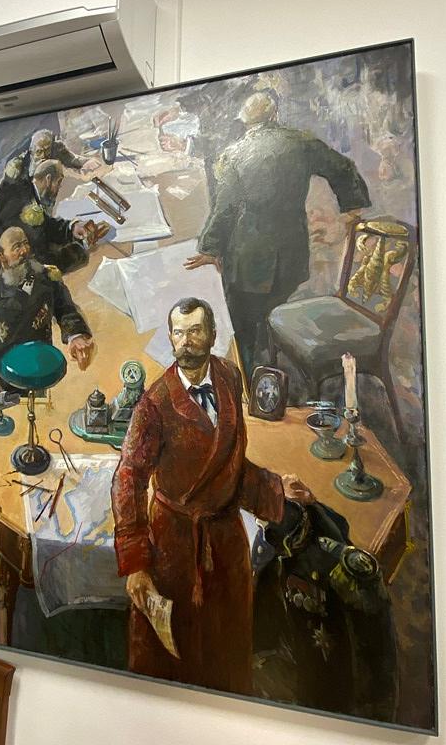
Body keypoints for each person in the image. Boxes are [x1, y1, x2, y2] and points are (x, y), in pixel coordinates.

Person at [111, 297, 315, 695]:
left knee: (227, 643)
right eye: (179, 333)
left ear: (212, 335)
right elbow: (128, 480)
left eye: (195, 331)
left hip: (226, 538)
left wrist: (275, 488)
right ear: (171, 338)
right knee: (173, 651)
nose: (186, 341)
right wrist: (135, 563)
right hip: (173, 542)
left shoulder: (229, 377)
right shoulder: (154, 404)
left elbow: (230, 464)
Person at [185, 92, 372, 380]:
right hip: (291, 251)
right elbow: (343, 167)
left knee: (243, 319)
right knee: (274, 304)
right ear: (274, 115)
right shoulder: (302, 142)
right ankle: (270, 350)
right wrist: (352, 207)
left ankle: (250, 375)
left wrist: (209, 248)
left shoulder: (236, 153)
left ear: (246, 122)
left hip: (248, 256)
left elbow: (226, 207)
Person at [0, 227, 94, 403]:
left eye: (25, 243)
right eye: (16, 247)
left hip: (40, 371)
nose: (24, 251)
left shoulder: (47, 277)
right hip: (0, 383)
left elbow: (65, 308)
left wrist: (75, 335)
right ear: (2, 256)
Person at [0, 159, 109, 278]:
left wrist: (73, 227)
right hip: (3, 275)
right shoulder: (20, 204)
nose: (59, 188)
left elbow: (47, 225)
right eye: (58, 182)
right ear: (48, 179)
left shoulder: (28, 192)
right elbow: (41, 259)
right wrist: (81, 248)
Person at [0, 127, 101, 218]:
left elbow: (73, 160)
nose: (43, 155)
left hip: (55, 196)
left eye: (47, 150)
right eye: (39, 152)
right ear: (31, 151)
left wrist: (87, 161)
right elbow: (4, 191)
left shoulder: (57, 148)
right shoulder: (18, 165)